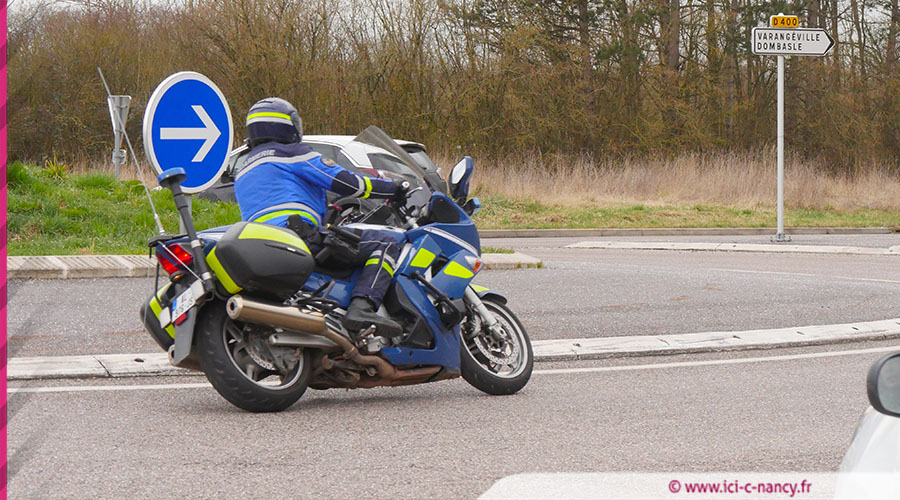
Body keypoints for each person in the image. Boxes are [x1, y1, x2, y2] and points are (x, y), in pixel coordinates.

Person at [234, 97, 407, 338]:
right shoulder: (290, 153)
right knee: (384, 242)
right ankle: (362, 307)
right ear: (286, 125)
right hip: (297, 237)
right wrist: (395, 187)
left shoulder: (243, 169)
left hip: (263, 246)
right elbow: (348, 183)